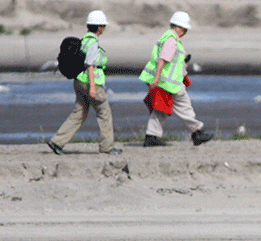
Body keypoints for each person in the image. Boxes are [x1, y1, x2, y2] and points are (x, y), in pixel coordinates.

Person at [47, 10, 121, 155]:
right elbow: (90, 64)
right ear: (99, 27)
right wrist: (93, 87)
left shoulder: (84, 40)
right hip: (89, 82)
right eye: (103, 26)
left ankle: (57, 141)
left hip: (79, 81)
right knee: (104, 112)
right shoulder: (93, 43)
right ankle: (107, 146)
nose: (104, 28)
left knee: (79, 112)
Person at [139, 11, 213, 147]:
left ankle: (151, 136)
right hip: (170, 84)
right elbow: (162, 60)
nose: (184, 32)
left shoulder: (168, 38)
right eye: (184, 29)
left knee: (160, 110)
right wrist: (157, 78)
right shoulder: (171, 41)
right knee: (184, 107)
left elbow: (171, 61)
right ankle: (197, 132)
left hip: (166, 82)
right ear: (177, 27)